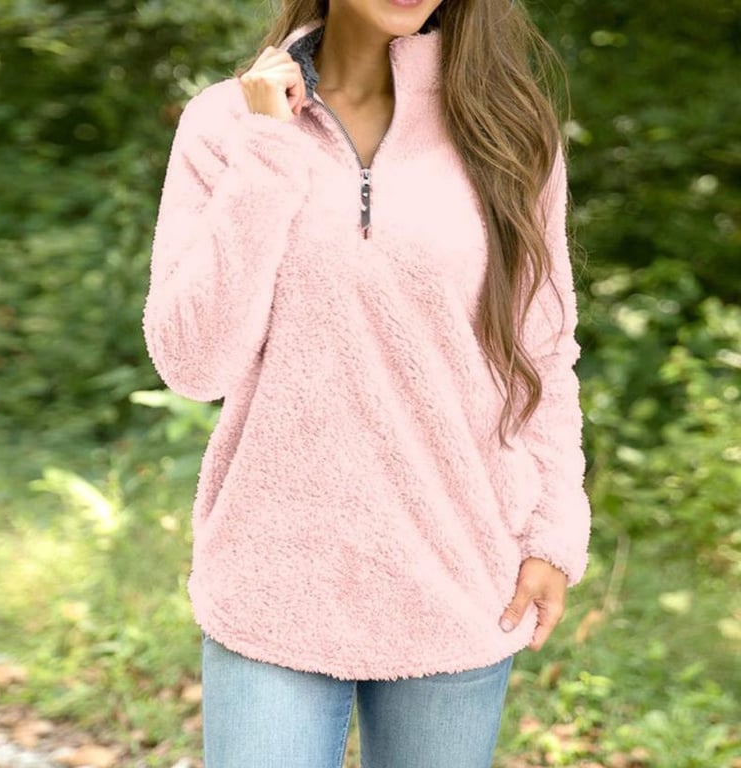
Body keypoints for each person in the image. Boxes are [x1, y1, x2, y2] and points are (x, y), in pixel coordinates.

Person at [142, 0, 592, 765]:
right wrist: (268, 149)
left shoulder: (509, 128)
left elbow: (542, 350)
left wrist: (554, 530)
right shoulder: (229, 122)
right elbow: (193, 363)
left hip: (459, 570)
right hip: (274, 576)